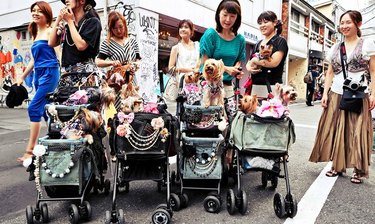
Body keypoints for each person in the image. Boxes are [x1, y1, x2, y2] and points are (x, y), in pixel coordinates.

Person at [309, 10, 375, 184]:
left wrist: (374, 93)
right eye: (342, 23)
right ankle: (337, 166)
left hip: (359, 93)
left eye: (348, 22)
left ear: (358, 24)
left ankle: (359, 170)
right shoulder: (336, 47)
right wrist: (324, 93)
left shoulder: (367, 44)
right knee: (336, 128)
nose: (344, 26)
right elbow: (330, 71)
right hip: (337, 93)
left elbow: (374, 71)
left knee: (358, 131)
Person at [16, 1, 60, 162]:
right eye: (33, 10)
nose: (35, 13)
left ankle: (30, 150)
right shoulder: (35, 34)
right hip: (38, 74)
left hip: (50, 73)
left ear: (47, 14)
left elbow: (58, 54)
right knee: (46, 112)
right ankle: (59, 140)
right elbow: (34, 60)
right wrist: (22, 76)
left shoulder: (50, 31)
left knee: (34, 108)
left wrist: (64, 75)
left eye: (39, 11)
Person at [95, 10, 141, 162]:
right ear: (111, 28)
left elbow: (139, 60)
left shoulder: (132, 41)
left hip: (130, 84)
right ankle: (115, 150)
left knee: (133, 113)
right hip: (116, 84)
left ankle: (132, 146)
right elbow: (98, 61)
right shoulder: (107, 43)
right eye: (115, 28)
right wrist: (111, 62)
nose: (119, 30)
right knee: (116, 117)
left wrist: (134, 65)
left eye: (121, 27)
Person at [49, 0, 101, 87]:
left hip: (86, 75)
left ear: (82, 1)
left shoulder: (93, 22)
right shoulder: (68, 26)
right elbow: (51, 43)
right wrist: (58, 18)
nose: (66, 0)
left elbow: (81, 46)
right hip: (67, 75)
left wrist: (70, 21)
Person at [199, 0, 245, 98]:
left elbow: (239, 61)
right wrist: (226, 69)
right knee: (209, 112)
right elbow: (205, 61)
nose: (228, 19)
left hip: (228, 86)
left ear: (237, 18)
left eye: (232, 16)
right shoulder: (211, 34)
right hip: (208, 84)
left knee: (229, 113)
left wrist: (236, 70)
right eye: (225, 15)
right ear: (218, 14)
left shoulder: (240, 39)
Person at [246, 11, 288, 100]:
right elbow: (249, 62)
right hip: (255, 87)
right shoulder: (258, 43)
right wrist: (249, 67)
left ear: (274, 23)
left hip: (272, 87)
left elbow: (273, 63)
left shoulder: (280, 41)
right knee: (255, 112)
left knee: (271, 112)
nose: (262, 25)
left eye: (266, 22)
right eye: (260, 23)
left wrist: (254, 61)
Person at [166, 19, 200, 114]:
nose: (183, 29)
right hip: (182, 84)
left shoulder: (198, 45)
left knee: (196, 111)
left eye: (186, 27)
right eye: (181, 27)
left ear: (191, 31)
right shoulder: (176, 48)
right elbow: (171, 68)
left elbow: (201, 62)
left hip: (196, 81)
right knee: (183, 112)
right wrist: (187, 70)